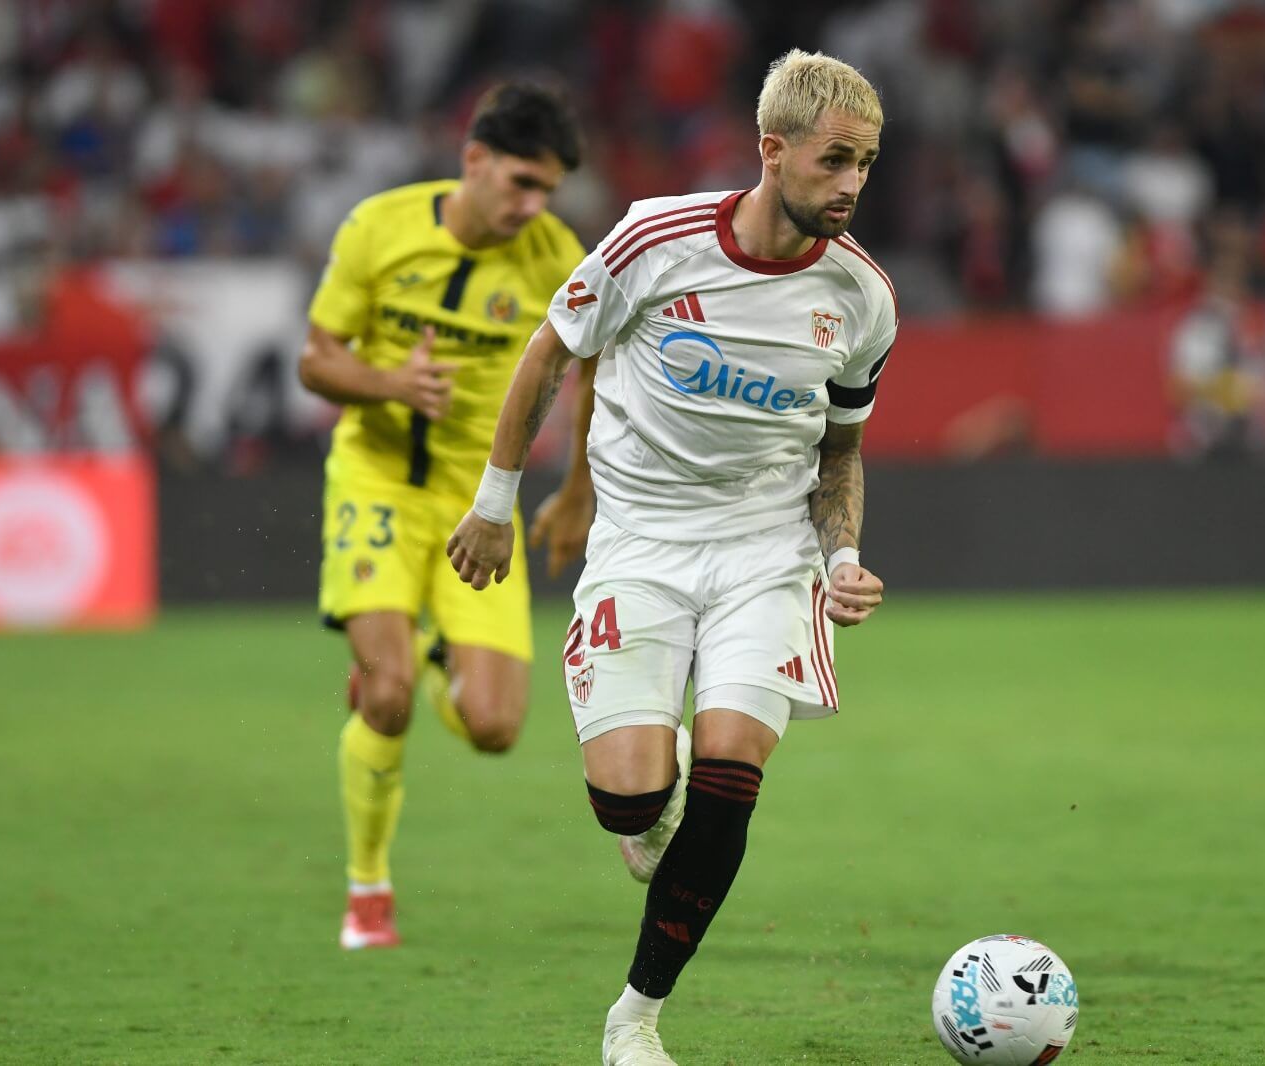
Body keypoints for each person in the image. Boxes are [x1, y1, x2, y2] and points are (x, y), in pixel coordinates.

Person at [448, 49, 894, 1065]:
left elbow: (840, 452)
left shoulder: (863, 296)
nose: (852, 183)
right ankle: (649, 797)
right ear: (772, 152)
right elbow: (548, 355)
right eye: (833, 160)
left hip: (763, 554)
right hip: (639, 545)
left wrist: (840, 556)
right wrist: (494, 503)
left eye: (866, 162)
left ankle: (635, 1017)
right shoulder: (656, 235)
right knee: (631, 800)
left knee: (735, 775)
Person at [297, 82, 598, 950]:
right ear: (473, 160)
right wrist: (391, 384)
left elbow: (591, 370)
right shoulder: (377, 228)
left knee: (496, 729)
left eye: (546, 190)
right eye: (519, 182)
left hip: (481, 509)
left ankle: (436, 656)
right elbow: (316, 360)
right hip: (378, 481)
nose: (531, 206)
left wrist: (576, 489)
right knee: (384, 699)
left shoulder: (553, 254)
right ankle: (368, 890)